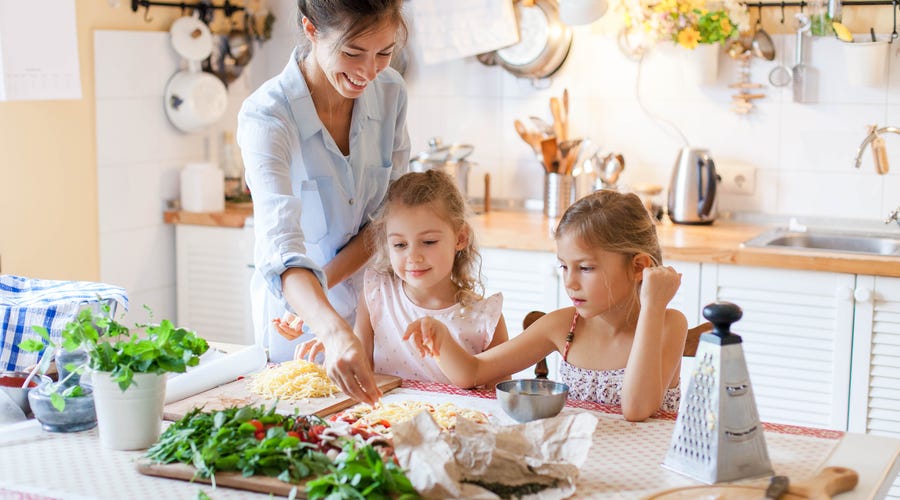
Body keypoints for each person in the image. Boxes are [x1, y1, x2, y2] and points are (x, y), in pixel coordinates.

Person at [236, 0, 410, 404]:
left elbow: (388, 219)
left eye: (385, 52)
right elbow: (282, 250)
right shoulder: (267, 116)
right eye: (352, 53)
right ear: (311, 30)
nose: (369, 71)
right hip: (295, 323)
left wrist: (329, 286)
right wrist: (330, 328)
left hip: (373, 313)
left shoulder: (390, 93)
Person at [405, 190, 688, 421]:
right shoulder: (565, 326)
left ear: (638, 266)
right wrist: (440, 338)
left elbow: (637, 409)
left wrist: (652, 305)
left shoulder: (668, 324)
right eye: (564, 267)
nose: (570, 282)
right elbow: (473, 372)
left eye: (586, 268)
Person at [286, 170, 509, 386]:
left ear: (460, 237)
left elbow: (498, 404)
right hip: (384, 422)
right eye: (400, 245)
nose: (413, 256)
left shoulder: (486, 318)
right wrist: (337, 348)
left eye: (429, 241)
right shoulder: (377, 293)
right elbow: (361, 366)